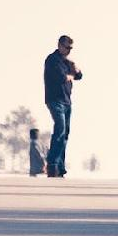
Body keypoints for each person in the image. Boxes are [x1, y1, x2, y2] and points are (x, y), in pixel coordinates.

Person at [42, 34, 82, 177]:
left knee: (65, 134)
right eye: (67, 47)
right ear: (59, 45)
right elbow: (62, 77)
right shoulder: (52, 60)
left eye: (71, 48)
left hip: (66, 101)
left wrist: (74, 70)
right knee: (60, 128)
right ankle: (52, 164)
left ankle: (60, 166)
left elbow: (80, 75)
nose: (69, 50)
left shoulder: (66, 61)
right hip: (55, 100)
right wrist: (71, 75)